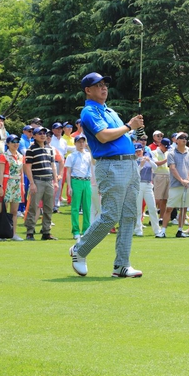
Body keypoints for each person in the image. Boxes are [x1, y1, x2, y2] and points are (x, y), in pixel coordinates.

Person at [69, 72, 144, 278]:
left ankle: (122, 265)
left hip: (129, 164)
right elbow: (103, 137)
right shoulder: (89, 112)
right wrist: (129, 125)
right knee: (110, 215)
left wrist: (134, 131)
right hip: (111, 166)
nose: (104, 88)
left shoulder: (109, 110)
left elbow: (122, 134)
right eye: (98, 85)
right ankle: (80, 250)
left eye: (105, 85)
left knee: (129, 215)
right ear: (88, 90)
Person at [22, 127, 59, 241]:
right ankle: (30, 232)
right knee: (33, 206)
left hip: (48, 181)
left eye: (44, 133)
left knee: (48, 207)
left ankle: (46, 232)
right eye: (40, 133)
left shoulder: (50, 149)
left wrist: (56, 181)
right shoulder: (31, 149)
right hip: (37, 180)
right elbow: (27, 167)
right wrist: (32, 183)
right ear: (34, 135)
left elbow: (53, 166)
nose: (43, 135)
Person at [0, 134, 25, 241]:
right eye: (13, 142)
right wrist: (0, 186)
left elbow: (21, 172)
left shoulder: (21, 156)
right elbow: (0, 172)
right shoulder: (3, 156)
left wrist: (22, 185)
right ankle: (2, 233)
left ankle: (13, 233)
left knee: (14, 211)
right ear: (8, 144)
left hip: (17, 183)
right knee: (3, 210)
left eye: (17, 141)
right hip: (7, 182)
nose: (15, 144)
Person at [166, 132, 189, 238]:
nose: (184, 139)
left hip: (187, 185)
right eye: (181, 138)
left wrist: (188, 180)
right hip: (175, 184)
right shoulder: (171, 153)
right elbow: (172, 168)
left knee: (184, 208)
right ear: (176, 140)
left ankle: (180, 230)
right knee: (169, 208)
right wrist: (181, 180)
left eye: (185, 138)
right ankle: (163, 231)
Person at [134, 142, 162, 238]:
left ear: (142, 150)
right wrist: (141, 165)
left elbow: (155, 168)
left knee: (152, 207)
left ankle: (157, 230)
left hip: (148, 184)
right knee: (138, 209)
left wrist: (149, 161)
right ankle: (138, 229)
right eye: (136, 151)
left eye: (139, 151)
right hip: (139, 185)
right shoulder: (134, 161)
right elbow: (135, 174)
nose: (138, 153)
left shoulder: (146, 158)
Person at [150, 132, 171, 232]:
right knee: (157, 199)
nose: (166, 149)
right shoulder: (154, 152)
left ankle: (161, 217)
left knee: (165, 199)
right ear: (161, 145)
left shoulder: (167, 152)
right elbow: (156, 163)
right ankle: (152, 217)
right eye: (165, 147)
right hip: (158, 176)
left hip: (168, 176)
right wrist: (167, 159)